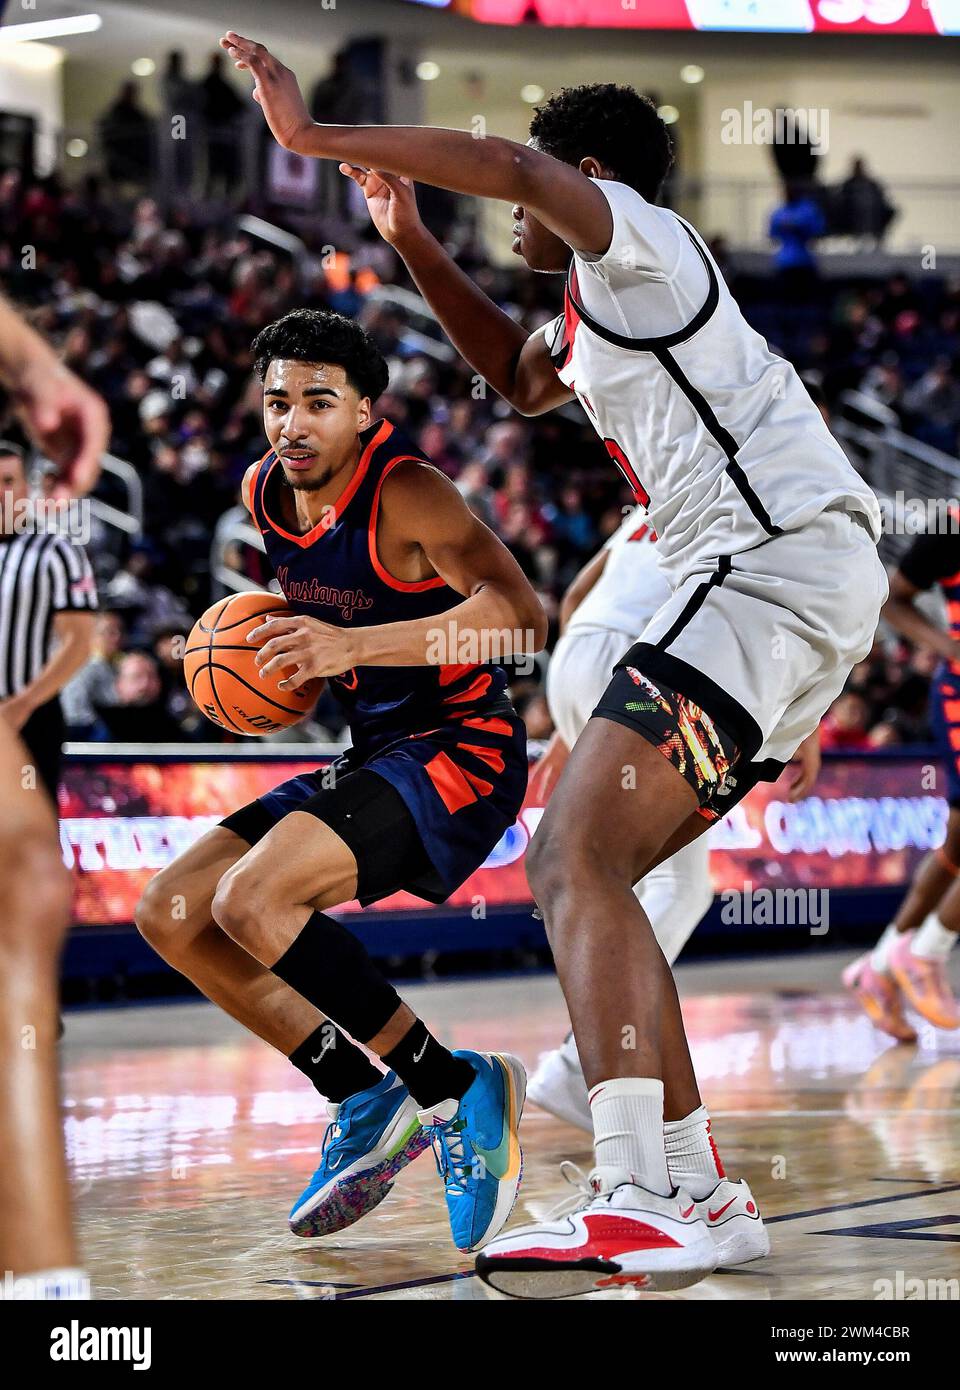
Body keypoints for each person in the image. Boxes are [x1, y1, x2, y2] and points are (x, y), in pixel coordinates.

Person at [220, 31, 887, 1296]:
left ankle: (643, 1191)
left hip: (766, 562)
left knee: (572, 855)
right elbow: (516, 381)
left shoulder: (640, 240)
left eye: (538, 186)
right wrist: (408, 234)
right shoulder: (594, 316)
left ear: (586, 176)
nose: (513, 219)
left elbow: (507, 166)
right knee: (601, 861)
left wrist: (314, 139)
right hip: (786, 581)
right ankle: (693, 1190)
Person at [136, 307, 545, 1254]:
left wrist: (352, 643)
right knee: (174, 909)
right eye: (279, 401)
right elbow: (319, 620)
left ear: (366, 412)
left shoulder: (411, 493)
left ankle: (454, 1088)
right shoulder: (266, 495)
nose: (293, 423)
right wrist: (261, 661)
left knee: (254, 898)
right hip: (375, 747)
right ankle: (364, 1097)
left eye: (320, 402)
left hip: (463, 749)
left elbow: (522, 618)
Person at [0, 294, 108, 1301]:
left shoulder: (52, 545)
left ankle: (45, 1290)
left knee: (26, 883)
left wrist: (32, 363)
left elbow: (85, 637)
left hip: (26, 718)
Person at [844, 527, 960, 1038]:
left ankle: (880, 968)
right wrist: (947, 646)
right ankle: (926, 952)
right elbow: (893, 597)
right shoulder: (951, 525)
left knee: (956, 848)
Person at [0, 442, 98, 799]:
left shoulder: (58, 551)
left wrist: (21, 704)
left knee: (32, 837)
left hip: (30, 716)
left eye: (8, 481)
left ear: (28, 487)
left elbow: (79, 643)